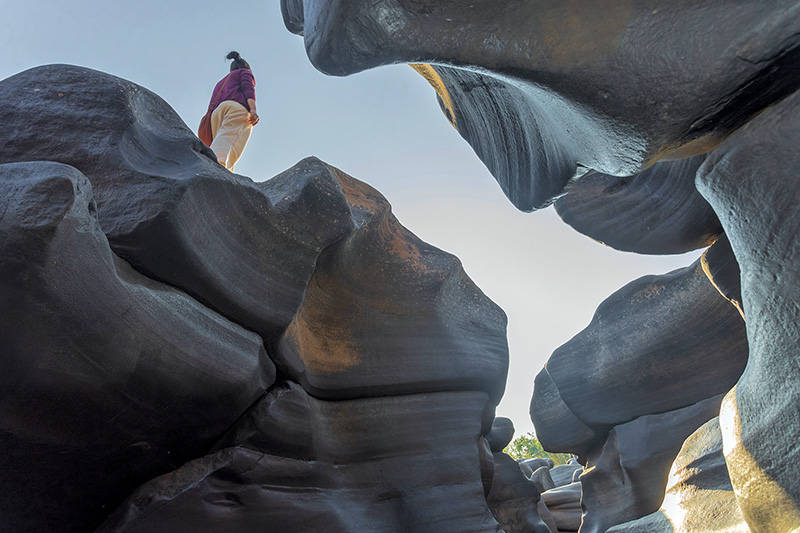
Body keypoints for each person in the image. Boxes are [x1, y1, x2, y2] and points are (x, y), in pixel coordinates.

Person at [206, 51, 259, 171]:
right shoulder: (245, 73)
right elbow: (248, 89)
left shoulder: (222, 82)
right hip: (236, 108)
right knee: (227, 149)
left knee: (223, 141)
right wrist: (253, 110)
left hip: (216, 113)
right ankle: (214, 171)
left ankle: (223, 172)